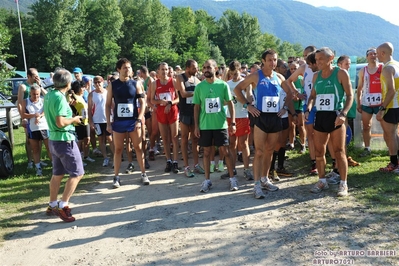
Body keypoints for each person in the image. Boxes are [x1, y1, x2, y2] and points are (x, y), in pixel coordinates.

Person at [234, 49, 296, 199]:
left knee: (270, 150)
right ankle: (256, 185)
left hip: (275, 117)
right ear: (263, 61)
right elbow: (237, 89)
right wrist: (248, 105)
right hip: (260, 117)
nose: (273, 63)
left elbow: (290, 93)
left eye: (275, 60)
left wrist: (285, 108)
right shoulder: (256, 76)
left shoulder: (279, 77)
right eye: (269, 60)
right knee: (260, 151)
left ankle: (264, 179)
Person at [306, 47, 353, 197]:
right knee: (319, 152)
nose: (318, 62)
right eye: (316, 59)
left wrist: (344, 114)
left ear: (330, 58)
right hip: (321, 116)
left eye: (321, 59)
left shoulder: (340, 73)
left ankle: (343, 184)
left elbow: (350, 95)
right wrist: (308, 107)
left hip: (336, 115)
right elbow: (313, 95)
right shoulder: (315, 76)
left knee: (339, 151)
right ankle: (322, 180)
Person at [44, 68, 84, 222]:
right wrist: (74, 119)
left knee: (57, 174)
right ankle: (63, 204)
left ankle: (53, 204)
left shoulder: (50, 95)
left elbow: (55, 114)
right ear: (68, 83)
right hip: (64, 138)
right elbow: (60, 122)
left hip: (53, 139)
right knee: (77, 173)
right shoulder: (60, 98)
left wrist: (67, 105)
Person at [193, 59, 239, 193]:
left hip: (221, 125)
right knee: (207, 153)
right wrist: (196, 126)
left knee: (225, 152)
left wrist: (233, 122)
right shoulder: (199, 87)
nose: (206, 70)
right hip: (205, 125)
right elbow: (196, 107)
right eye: (204, 67)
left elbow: (230, 104)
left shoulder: (223, 85)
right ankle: (207, 180)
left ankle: (232, 178)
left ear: (215, 68)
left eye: (209, 67)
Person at [106, 58, 149, 188]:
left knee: (138, 148)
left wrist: (139, 119)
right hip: (119, 121)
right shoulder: (112, 85)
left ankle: (143, 174)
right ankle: (116, 177)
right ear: (119, 69)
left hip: (133, 121)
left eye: (129, 67)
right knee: (118, 149)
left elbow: (142, 102)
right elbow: (108, 105)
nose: (128, 70)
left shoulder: (136, 84)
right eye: (125, 67)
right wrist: (108, 123)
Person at [283, 46, 318, 175]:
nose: (305, 58)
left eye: (307, 55)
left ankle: (326, 159)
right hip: (308, 104)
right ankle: (314, 161)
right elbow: (289, 80)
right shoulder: (304, 68)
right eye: (304, 56)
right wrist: (297, 93)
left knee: (323, 133)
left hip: (322, 105)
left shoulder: (321, 67)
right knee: (311, 134)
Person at [224, 60, 253, 180]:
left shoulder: (245, 82)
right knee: (231, 144)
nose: (234, 76)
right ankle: (232, 169)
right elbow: (224, 101)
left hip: (242, 115)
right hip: (230, 116)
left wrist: (245, 98)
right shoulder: (227, 84)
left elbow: (250, 97)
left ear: (240, 70)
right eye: (232, 73)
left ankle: (246, 169)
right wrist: (230, 100)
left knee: (243, 143)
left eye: (236, 73)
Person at [176, 59, 205, 177]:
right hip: (184, 112)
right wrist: (197, 93)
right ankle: (187, 167)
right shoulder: (180, 78)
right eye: (194, 68)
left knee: (195, 139)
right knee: (184, 138)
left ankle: (196, 165)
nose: (196, 70)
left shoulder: (197, 80)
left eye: (197, 67)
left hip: (195, 112)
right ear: (187, 68)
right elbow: (183, 93)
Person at [150, 62, 180, 173]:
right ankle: (168, 160)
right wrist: (160, 102)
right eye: (162, 69)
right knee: (165, 138)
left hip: (172, 111)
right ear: (158, 71)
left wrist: (170, 103)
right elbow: (151, 99)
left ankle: (176, 161)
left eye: (166, 69)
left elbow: (178, 99)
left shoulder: (174, 81)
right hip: (161, 113)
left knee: (175, 137)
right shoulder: (154, 84)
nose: (164, 71)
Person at [17, 68, 48, 169]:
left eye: (37, 75)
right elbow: (20, 103)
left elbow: (47, 96)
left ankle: (38, 160)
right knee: (29, 139)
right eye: (34, 76)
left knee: (39, 139)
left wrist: (40, 85)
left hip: (39, 117)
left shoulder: (37, 85)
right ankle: (30, 160)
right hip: (28, 116)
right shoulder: (23, 86)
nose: (36, 77)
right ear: (29, 76)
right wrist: (23, 118)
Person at [376, 42, 399, 172]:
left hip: (391, 105)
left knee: (390, 135)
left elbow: (391, 90)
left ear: (383, 53)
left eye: (378, 53)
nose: (377, 56)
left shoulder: (387, 68)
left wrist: (382, 108)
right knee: (394, 135)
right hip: (397, 104)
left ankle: (394, 164)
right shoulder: (398, 64)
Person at [356, 48, 383, 157]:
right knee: (366, 126)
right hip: (367, 102)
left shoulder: (383, 68)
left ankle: (393, 149)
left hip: (381, 103)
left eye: (375, 54)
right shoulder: (363, 70)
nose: (373, 55)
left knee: (387, 127)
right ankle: (367, 148)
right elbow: (359, 88)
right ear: (367, 57)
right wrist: (358, 103)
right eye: (370, 54)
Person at [21, 84, 51, 176]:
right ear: (30, 93)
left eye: (37, 94)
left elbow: (46, 111)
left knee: (49, 148)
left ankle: (56, 167)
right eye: (34, 94)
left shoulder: (42, 100)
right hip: (32, 128)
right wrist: (34, 115)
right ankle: (38, 168)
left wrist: (40, 116)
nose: (36, 96)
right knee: (35, 149)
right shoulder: (25, 101)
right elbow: (23, 114)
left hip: (44, 127)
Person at [88, 76, 114, 167]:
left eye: (99, 82)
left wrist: (113, 117)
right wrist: (91, 121)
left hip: (108, 120)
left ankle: (115, 157)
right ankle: (105, 158)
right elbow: (89, 109)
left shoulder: (107, 92)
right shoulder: (91, 94)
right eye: (95, 82)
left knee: (110, 139)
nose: (97, 84)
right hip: (97, 120)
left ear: (103, 82)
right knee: (101, 139)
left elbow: (112, 106)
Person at [69, 80, 95, 165]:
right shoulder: (73, 97)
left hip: (86, 121)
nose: (84, 89)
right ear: (77, 88)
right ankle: (78, 159)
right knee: (79, 142)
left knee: (87, 139)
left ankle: (86, 156)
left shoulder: (82, 97)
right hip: (78, 123)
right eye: (82, 87)